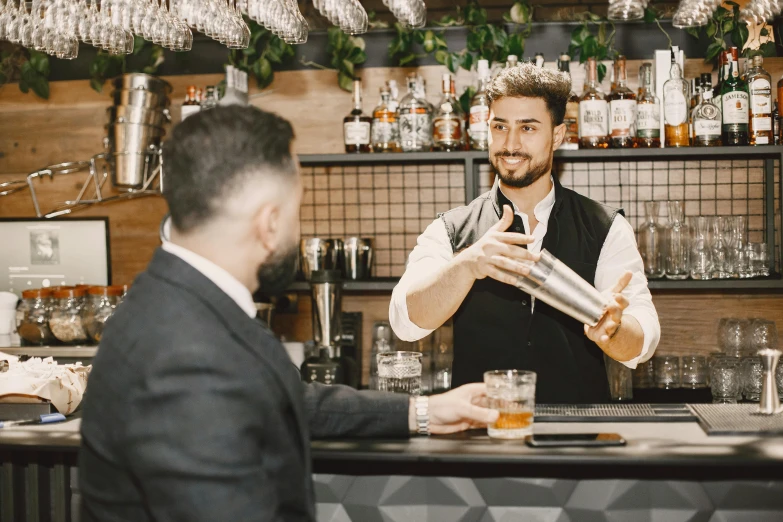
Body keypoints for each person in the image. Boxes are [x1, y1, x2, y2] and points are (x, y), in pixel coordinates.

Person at [79, 106, 499, 522]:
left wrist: (424, 411)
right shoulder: (187, 356)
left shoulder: (178, 303)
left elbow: (281, 398)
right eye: (297, 209)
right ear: (269, 223)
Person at [390, 63, 660, 404]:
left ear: (557, 135)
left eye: (528, 128)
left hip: (577, 438)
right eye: (499, 126)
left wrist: (614, 332)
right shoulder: (450, 229)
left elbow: (644, 339)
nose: (511, 144)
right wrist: (468, 265)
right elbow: (405, 321)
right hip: (479, 435)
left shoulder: (606, 227)